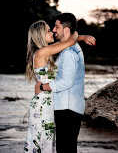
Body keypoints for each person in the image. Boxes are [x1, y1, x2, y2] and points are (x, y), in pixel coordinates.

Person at [24, 20, 95, 153]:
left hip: (48, 103)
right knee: (41, 141)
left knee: (45, 141)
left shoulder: (45, 51)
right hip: (43, 105)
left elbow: (66, 42)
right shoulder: (42, 52)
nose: (52, 32)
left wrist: (81, 37)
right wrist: (78, 34)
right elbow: (69, 42)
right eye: (48, 31)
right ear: (40, 35)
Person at [35, 13, 85, 153]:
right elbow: (70, 40)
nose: (54, 30)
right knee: (67, 148)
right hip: (69, 106)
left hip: (67, 108)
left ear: (66, 30)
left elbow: (67, 82)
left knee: (65, 149)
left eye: (56, 27)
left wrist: (42, 86)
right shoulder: (68, 49)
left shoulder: (69, 52)